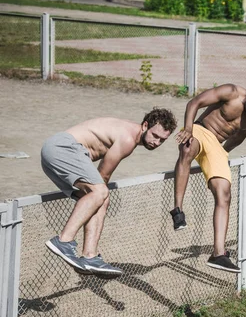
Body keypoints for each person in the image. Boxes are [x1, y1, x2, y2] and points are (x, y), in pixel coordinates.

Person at [42, 109, 178, 278]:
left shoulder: (128, 134)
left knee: (100, 198)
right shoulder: (128, 138)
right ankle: (63, 240)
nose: (157, 142)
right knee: (100, 192)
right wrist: (100, 196)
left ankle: (89, 256)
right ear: (145, 125)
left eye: (162, 140)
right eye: (155, 135)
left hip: (54, 151)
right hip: (63, 148)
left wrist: (100, 200)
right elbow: (103, 175)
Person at [171, 84, 246, 273]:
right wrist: (188, 128)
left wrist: (222, 154)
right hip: (200, 130)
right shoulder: (231, 92)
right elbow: (194, 102)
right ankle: (178, 210)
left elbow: (239, 137)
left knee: (225, 194)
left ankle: (218, 254)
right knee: (187, 149)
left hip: (216, 146)